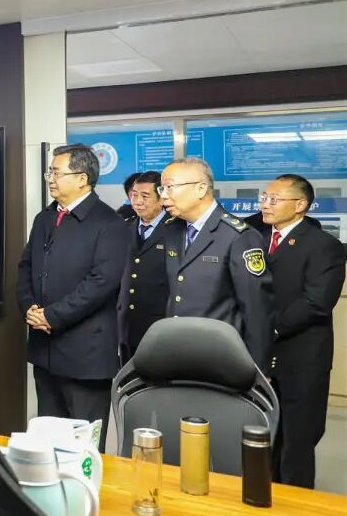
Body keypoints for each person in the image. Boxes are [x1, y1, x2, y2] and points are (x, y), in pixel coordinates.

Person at [18, 144, 129, 451]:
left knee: (83, 450)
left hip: (86, 357)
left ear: (82, 179)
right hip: (45, 352)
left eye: (57, 173)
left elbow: (101, 284)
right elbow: (26, 268)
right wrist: (29, 308)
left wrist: (51, 316)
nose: (50, 179)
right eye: (49, 173)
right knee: (48, 444)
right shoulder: (45, 218)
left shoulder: (109, 223)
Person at [256, 174, 345, 488]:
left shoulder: (324, 246)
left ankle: (295, 505)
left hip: (301, 356)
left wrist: (267, 327)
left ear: (300, 205)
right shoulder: (255, 239)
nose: (265, 205)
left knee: (297, 440)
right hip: (260, 356)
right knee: (262, 436)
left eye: (274, 199)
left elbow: (317, 302)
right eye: (264, 197)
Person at [159, 157, 275, 370]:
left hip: (220, 356)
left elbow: (257, 309)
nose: (164, 195)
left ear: (201, 188)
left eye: (170, 187)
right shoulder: (173, 230)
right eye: (162, 188)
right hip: (177, 351)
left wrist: (259, 368)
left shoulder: (238, 236)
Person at [117, 171, 181, 362]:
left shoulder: (177, 230)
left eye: (145, 196)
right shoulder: (124, 228)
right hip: (126, 325)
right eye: (134, 195)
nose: (137, 201)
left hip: (160, 326)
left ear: (161, 199)